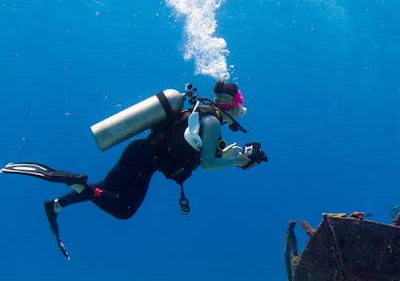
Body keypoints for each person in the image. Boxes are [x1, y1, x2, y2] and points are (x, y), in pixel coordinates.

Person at [1, 80, 268, 259]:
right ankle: (70, 180)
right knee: (123, 210)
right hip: (145, 162)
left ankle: (56, 205)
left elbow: (192, 145)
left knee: (103, 191)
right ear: (231, 106)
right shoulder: (212, 123)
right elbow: (208, 164)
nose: (241, 112)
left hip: (139, 151)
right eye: (240, 108)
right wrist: (235, 161)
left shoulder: (198, 112)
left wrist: (228, 154)